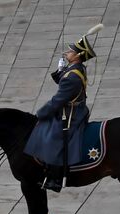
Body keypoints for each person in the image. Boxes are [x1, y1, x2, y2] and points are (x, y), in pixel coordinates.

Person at [23, 26, 101, 192]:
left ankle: (56, 177)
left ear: (78, 55)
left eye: (70, 51)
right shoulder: (75, 69)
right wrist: (60, 70)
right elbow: (65, 80)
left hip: (71, 113)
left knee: (54, 137)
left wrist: (41, 112)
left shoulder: (72, 76)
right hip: (74, 108)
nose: (66, 53)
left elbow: (58, 100)